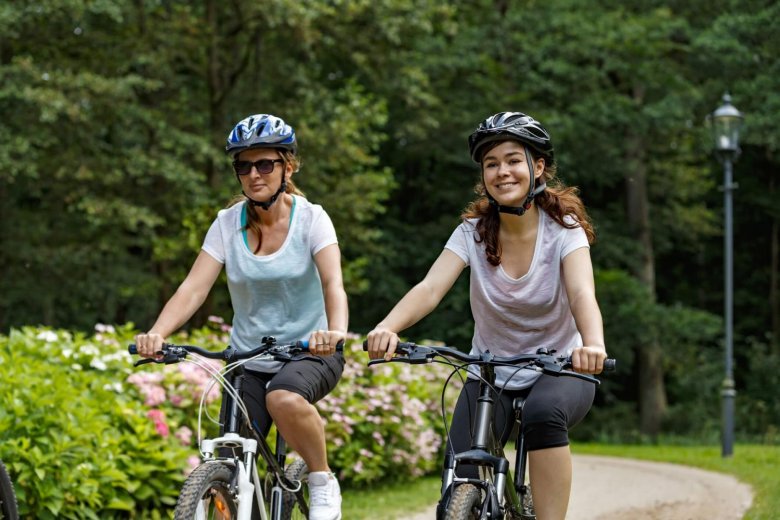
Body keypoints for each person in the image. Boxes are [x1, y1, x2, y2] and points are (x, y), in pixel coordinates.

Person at [366, 111, 607, 520]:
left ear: (539, 166)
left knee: (542, 415)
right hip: (491, 370)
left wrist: (594, 344)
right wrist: (388, 326)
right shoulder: (472, 232)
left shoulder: (564, 230)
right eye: (491, 163)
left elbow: (582, 292)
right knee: (462, 467)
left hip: (562, 367)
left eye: (513, 160)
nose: (502, 171)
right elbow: (430, 288)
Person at [135, 113, 347, 520]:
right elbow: (193, 289)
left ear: (289, 166)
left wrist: (334, 331)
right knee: (233, 454)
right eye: (243, 166)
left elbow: (332, 283)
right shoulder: (226, 224)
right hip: (248, 357)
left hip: (311, 352)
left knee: (283, 396)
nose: (253, 174)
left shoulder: (312, 219)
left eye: (264, 163)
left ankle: (321, 480)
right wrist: (157, 333)